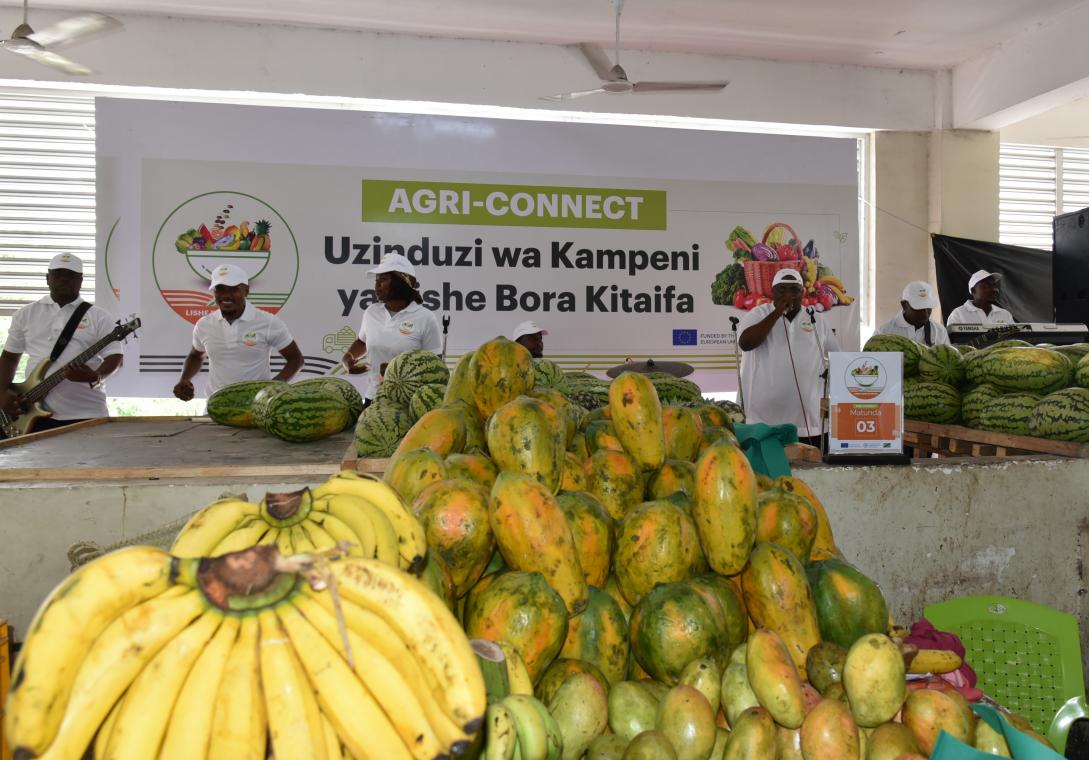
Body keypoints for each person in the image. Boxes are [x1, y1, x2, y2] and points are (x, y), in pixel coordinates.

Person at [0, 253, 124, 432]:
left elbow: (115, 357)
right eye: (58, 273)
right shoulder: (25, 314)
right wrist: (2, 394)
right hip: (32, 415)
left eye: (71, 275)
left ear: (81, 280)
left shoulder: (99, 317)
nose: (64, 279)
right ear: (47, 278)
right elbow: (9, 358)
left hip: (87, 413)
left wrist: (95, 376)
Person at [737, 268, 837, 446]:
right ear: (772, 292)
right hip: (763, 421)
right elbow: (746, 343)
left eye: (794, 290)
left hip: (809, 424)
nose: (788, 295)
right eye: (782, 290)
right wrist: (777, 313)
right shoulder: (758, 314)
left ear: (802, 293)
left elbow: (837, 357)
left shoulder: (816, 319)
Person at [173, 264, 303, 400]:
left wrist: (275, 385)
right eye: (220, 289)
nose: (226, 295)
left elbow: (296, 359)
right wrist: (184, 379)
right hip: (215, 405)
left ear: (246, 291)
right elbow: (195, 356)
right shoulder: (204, 325)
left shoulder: (268, 322)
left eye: (234, 289)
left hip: (256, 407)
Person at [340, 254, 441, 403]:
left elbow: (436, 366)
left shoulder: (425, 318)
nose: (377, 285)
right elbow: (362, 341)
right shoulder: (371, 312)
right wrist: (348, 357)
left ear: (401, 282)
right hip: (373, 399)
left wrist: (400, 373)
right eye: (376, 280)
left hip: (407, 404)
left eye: (383, 279)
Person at [874, 281, 950, 346]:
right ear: (904, 305)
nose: (925, 314)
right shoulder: (883, 333)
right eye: (919, 308)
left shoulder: (940, 332)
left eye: (928, 308)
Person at [946, 270, 1015, 326]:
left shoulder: (1005, 315)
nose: (994, 289)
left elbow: (1013, 338)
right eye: (986, 286)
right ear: (973, 291)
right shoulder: (958, 314)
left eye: (994, 285)